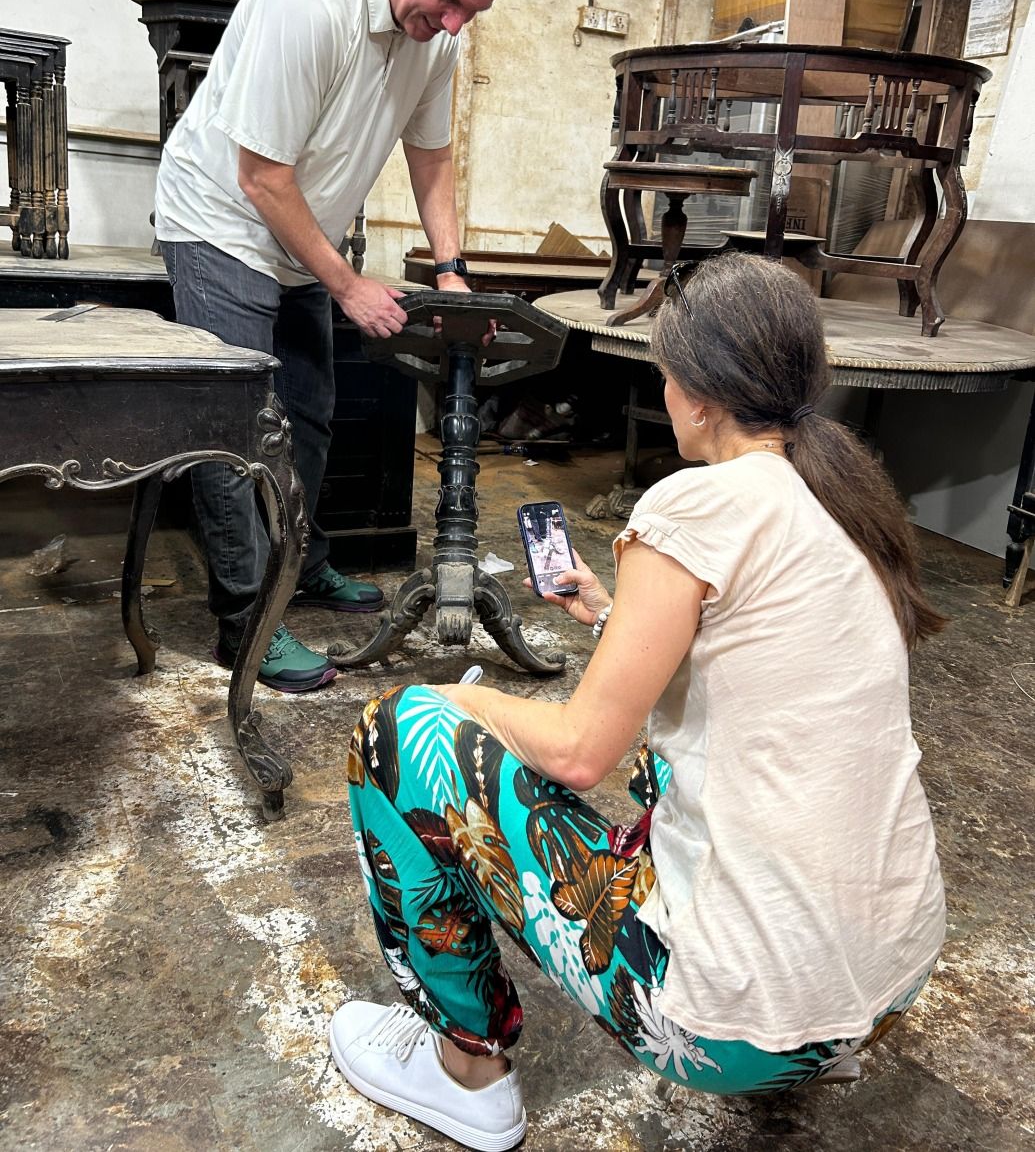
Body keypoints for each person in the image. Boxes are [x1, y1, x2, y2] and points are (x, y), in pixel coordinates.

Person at [331, 253, 947, 1151]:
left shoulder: (698, 503)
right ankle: (818, 1035)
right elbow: (764, 675)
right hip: (880, 985)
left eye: (663, 372)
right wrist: (614, 617)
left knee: (397, 731)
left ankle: (466, 1072)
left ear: (697, 393)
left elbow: (584, 753)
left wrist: (443, 699)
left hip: (734, 1035)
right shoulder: (844, 502)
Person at [154, 0, 525, 692]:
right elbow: (261, 177)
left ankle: (300, 561)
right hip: (220, 222)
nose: (454, 21)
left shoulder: (438, 34)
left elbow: (430, 160)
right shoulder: (307, 0)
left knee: (312, 415)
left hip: (296, 231)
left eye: (474, 10)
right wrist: (350, 286)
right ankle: (246, 622)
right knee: (238, 430)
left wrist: (454, 273)